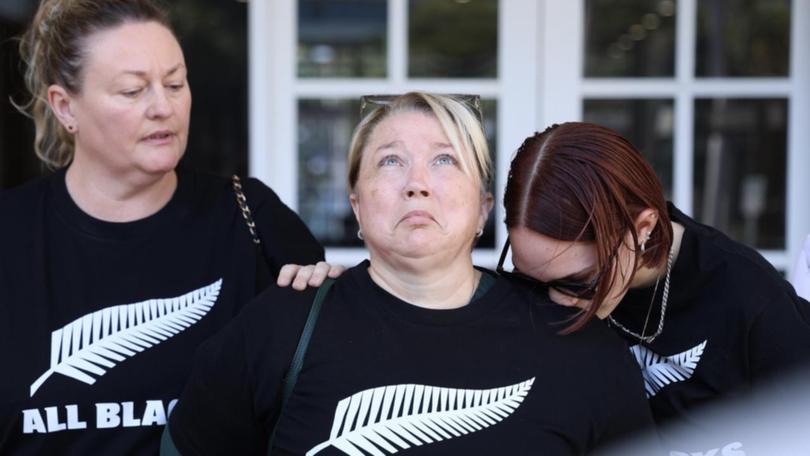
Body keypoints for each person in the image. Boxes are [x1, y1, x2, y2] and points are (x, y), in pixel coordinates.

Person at [163, 93, 657, 455]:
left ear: (484, 207)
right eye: (390, 161)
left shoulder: (575, 345)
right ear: (357, 205)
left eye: (445, 160)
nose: (416, 184)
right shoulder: (281, 326)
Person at [0, 0, 323, 453]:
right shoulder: (10, 236)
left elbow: (320, 393)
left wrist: (330, 297)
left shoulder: (251, 218)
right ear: (65, 106)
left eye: (175, 83)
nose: (163, 107)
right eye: (133, 91)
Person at [498, 122, 810, 453]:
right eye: (528, 281)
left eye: (579, 282)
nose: (557, 303)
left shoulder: (750, 298)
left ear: (643, 227)